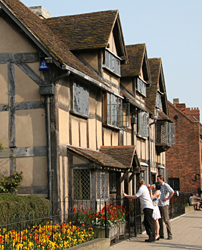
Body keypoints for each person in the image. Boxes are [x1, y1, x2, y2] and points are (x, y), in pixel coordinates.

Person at [157, 175, 174, 240]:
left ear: (162, 179)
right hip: (159, 204)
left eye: (158, 179)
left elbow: (172, 191)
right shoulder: (158, 186)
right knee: (159, 219)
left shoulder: (165, 185)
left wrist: (167, 198)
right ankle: (161, 234)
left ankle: (169, 234)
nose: (157, 180)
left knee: (166, 220)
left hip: (164, 204)